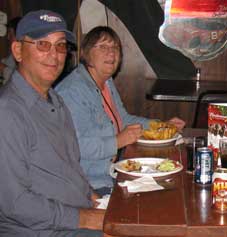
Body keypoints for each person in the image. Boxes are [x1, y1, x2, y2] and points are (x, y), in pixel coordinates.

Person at [0, 10, 106, 236]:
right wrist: (85, 218)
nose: (54, 55)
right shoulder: (7, 112)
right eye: (42, 45)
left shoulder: (55, 100)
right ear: (18, 50)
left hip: (76, 214)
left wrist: (92, 196)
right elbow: (13, 203)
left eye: (60, 46)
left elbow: (67, 168)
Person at [56, 26, 185, 194]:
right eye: (103, 47)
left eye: (115, 48)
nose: (111, 53)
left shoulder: (106, 82)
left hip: (113, 169)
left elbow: (123, 120)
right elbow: (76, 146)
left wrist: (161, 126)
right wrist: (117, 141)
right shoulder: (72, 91)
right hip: (90, 184)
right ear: (86, 54)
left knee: (172, 183)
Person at [0, 16, 21, 84]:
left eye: (10, 33)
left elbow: (20, 82)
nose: (8, 37)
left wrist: (3, 68)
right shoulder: (12, 55)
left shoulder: (28, 55)